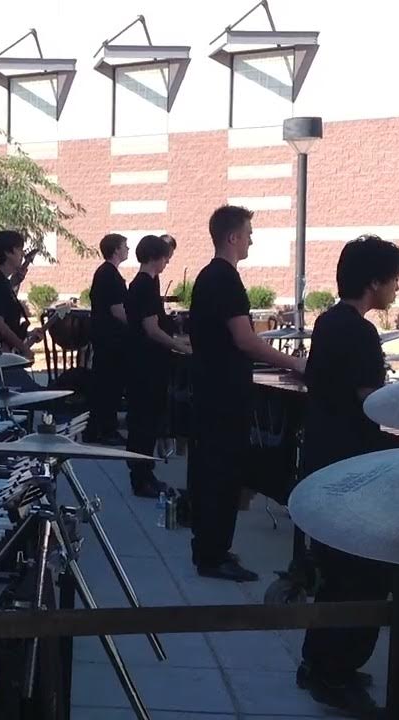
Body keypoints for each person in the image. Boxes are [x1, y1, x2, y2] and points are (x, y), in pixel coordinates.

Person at [295, 235, 399, 717]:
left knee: (334, 571)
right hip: (351, 465)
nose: (397, 289)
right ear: (374, 282)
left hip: (323, 456)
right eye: (395, 280)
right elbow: (369, 398)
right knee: (361, 575)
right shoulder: (360, 333)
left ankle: (316, 662)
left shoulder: (327, 322)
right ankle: (333, 673)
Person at [188, 205, 305, 581]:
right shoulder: (224, 279)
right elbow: (245, 340)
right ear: (232, 237)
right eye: (249, 233)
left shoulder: (211, 276)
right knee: (221, 472)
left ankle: (212, 548)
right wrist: (298, 365)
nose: (252, 239)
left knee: (213, 469)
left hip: (212, 389)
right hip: (222, 394)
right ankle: (212, 556)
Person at [124, 234, 192, 497]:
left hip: (146, 363)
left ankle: (145, 473)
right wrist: (181, 347)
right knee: (144, 423)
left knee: (146, 422)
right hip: (146, 365)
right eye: (165, 258)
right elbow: (151, 329)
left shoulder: (146, 283)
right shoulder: (143, 285)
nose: (166, 263)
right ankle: (141, 478)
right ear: (155, 257)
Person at [83, 233, 131, 445]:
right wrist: (137, 326)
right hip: (109, 339)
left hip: (105, 338)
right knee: (109, 385)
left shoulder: (106, 273)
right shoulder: (109, 275)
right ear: (116, 250)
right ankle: (105, 429)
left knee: (105, 384)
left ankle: (95, 429)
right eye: (125, 246)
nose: (128, 249)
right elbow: (117, 310)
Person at [0, 230, 41, 359]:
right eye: (19, 250)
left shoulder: (1, 282)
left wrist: (28, 335)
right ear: (8, 253)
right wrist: (23, 348)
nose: (22, 254)